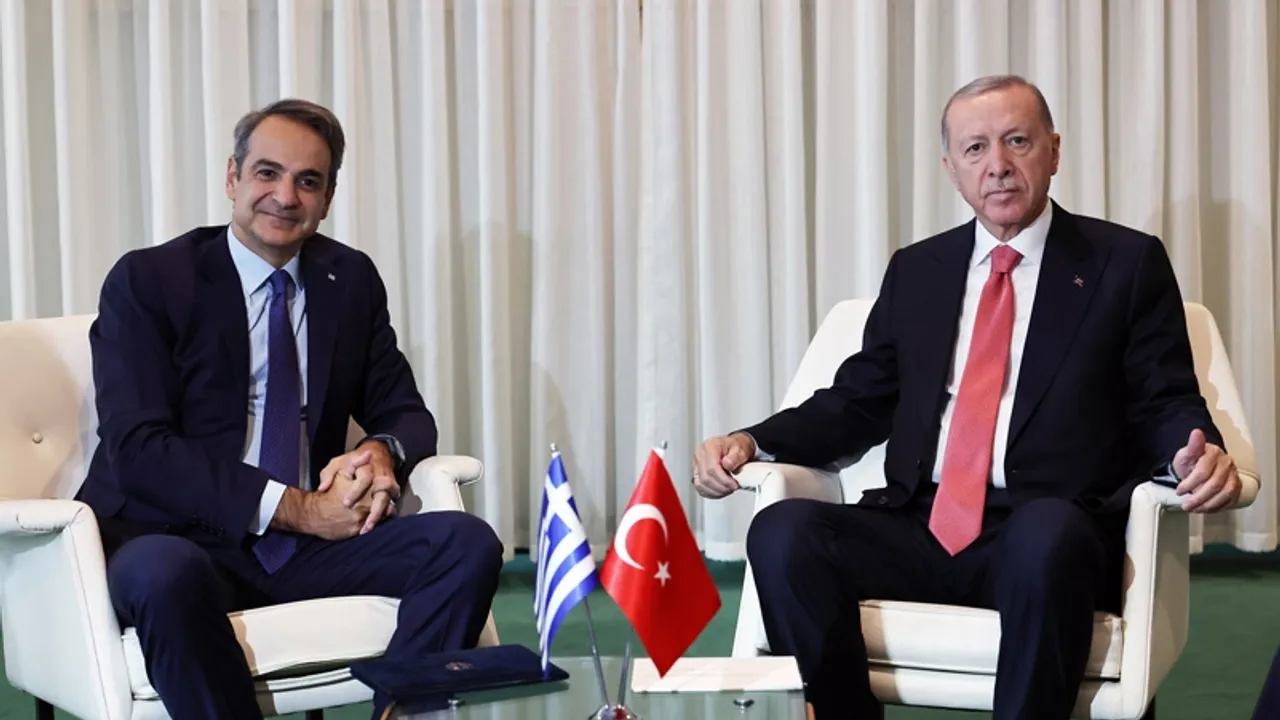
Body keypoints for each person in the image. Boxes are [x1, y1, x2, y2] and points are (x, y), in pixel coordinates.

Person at [692, 75, 1244, 720]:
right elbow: (858, 400)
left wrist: (1190, 454)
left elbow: (1163, 397)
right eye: (976, 149)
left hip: (1046, 530)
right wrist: (751, 441)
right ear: (952, 169)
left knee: (1047, 534)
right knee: (784, 532)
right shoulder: (918, 269)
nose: (998, 165)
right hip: (921, 524)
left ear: (1054, 151)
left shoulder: (1124, 263)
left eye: (1017, 141)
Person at [78, 98, 503, 720]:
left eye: (308, 181)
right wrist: (299, 509)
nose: (285, 196)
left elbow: (408, 414)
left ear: (328, 199)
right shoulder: (151, 280)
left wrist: (380, 451)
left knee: (466, 543)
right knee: (163, 574)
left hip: (304, 549)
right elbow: (140, 449)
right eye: (267, 173)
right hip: (174, 535)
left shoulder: (348, 280)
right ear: (233, 177)